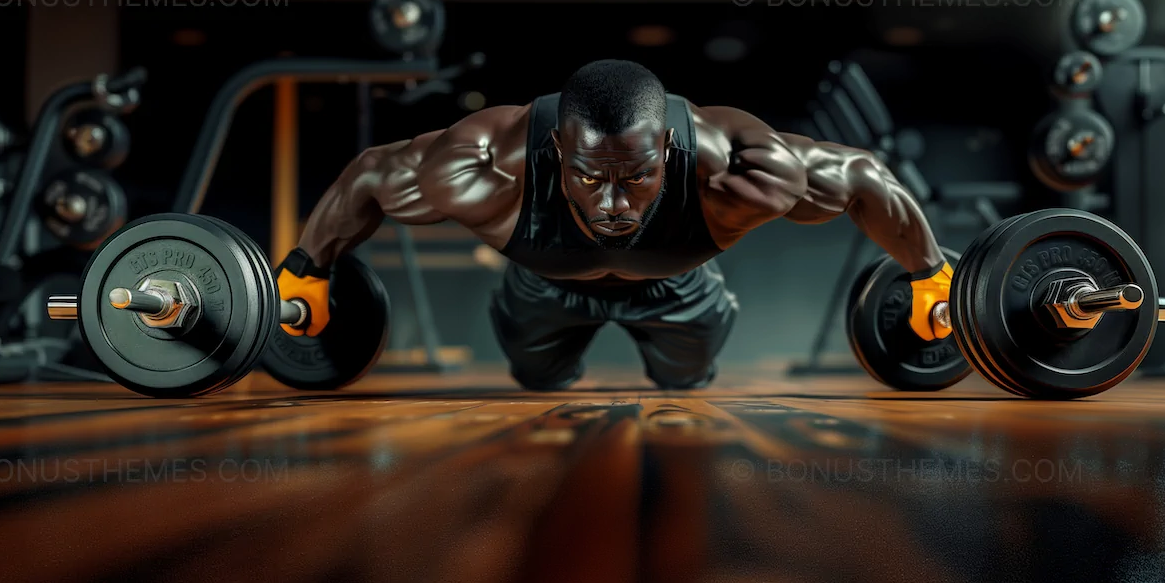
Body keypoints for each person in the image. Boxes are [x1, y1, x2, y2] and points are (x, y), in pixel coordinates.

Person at [276, 59, 950, 390]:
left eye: (633, 176)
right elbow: (369, 173)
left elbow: (862, 177)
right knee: (536, 383)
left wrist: (930, 277)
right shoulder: (480, 174)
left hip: (679, 292)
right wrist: (306, 273)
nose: (611, 201)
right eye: (589, 175)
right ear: (557, 153)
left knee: (686, 386)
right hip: (542, 290)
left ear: (667, 152)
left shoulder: (743, 174)